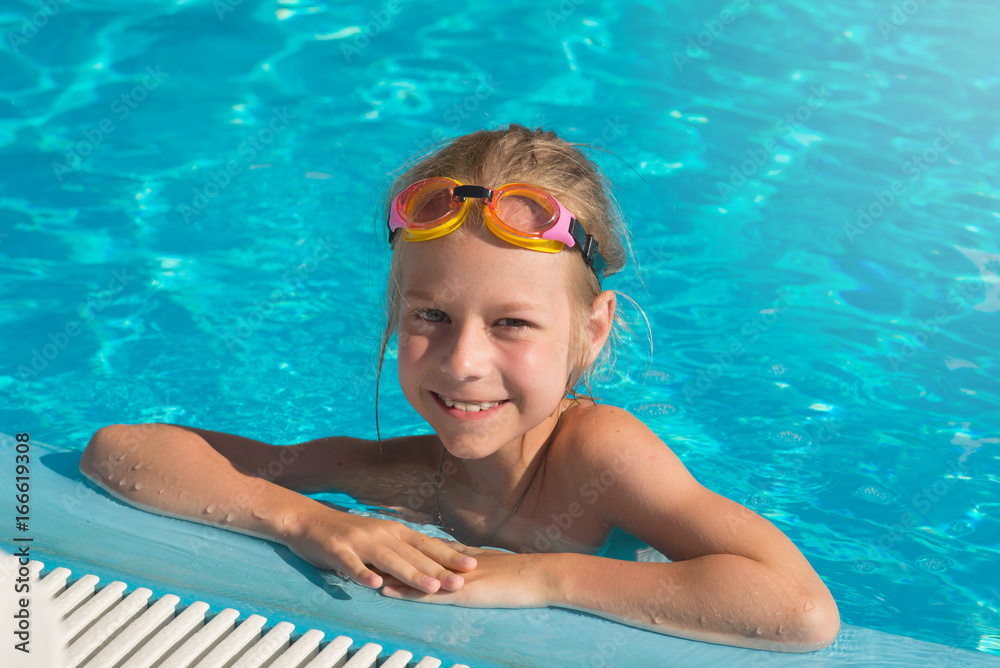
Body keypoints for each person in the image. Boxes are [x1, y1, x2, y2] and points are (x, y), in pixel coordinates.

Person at [81, 124, 839, 651]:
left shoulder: (601, 455)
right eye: (432, 316)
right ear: (393, 311)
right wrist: (304, 522)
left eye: (511, 323)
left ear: (594, 330)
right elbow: (122, 451)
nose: (462, 362)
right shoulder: (401, 474)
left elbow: (798, 610)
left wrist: (543, 578)